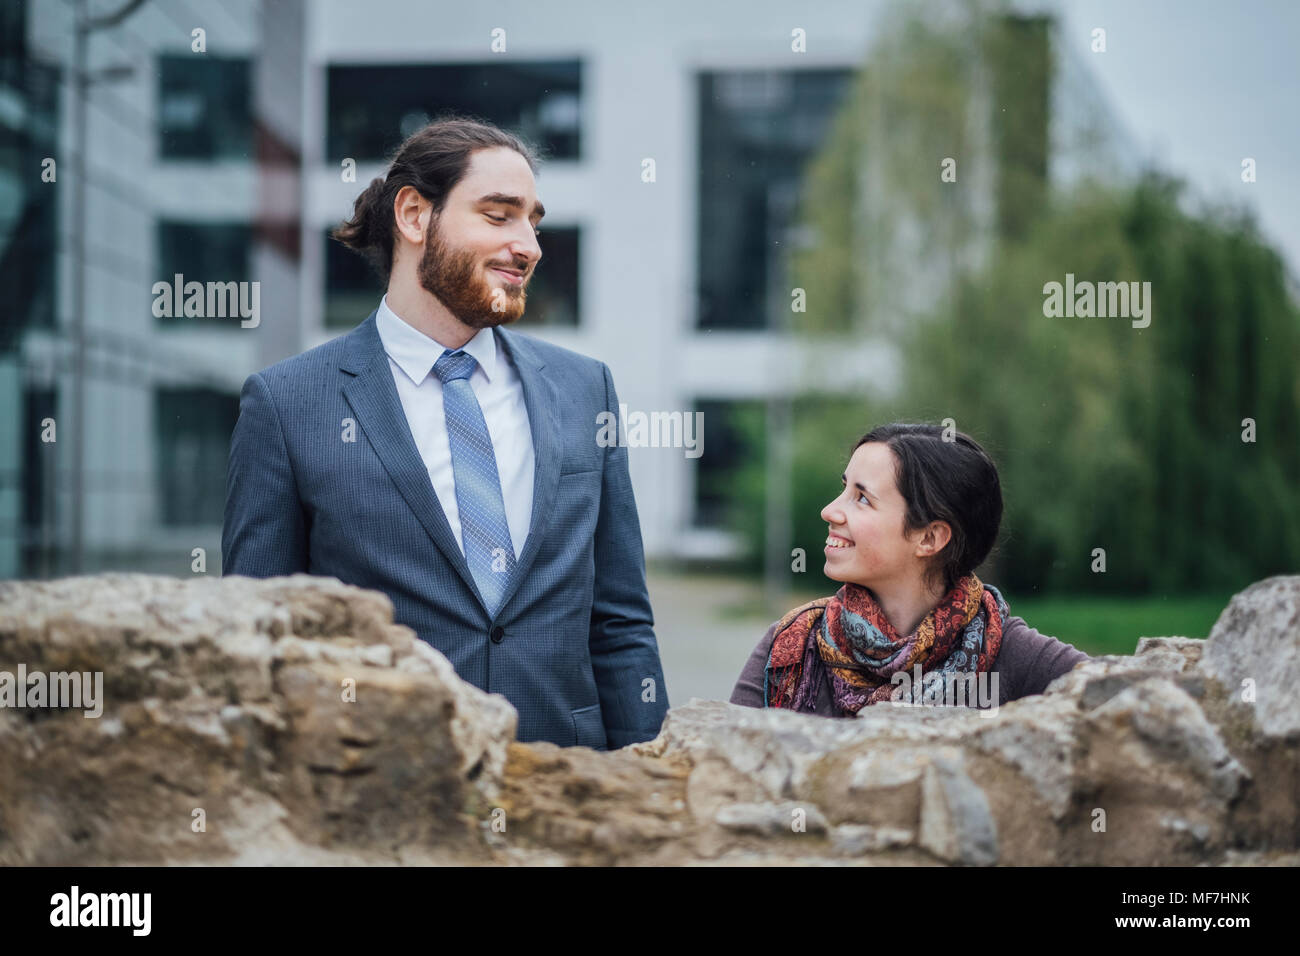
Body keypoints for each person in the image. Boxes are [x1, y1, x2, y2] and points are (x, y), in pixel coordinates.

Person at [223, 117, 669, 750]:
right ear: (413, 215)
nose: (530, 246)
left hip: (572, 794)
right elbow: (257, 636)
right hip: (380, 797)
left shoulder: (584, 391)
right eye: (499, 215)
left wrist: (648, 787)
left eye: (533, 221)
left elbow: (621, 623)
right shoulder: (288, 404)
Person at [730, 423, 1088, 714]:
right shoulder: (791, 646)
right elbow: (725, 775)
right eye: (843, 490)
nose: (830, 511)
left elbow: (1130, 706)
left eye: (862, 499)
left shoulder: (1015, 656)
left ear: (929, 538)